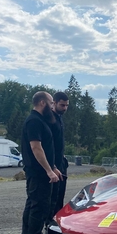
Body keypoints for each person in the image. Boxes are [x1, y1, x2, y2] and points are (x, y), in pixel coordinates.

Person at [19, 91, 60, 234]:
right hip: (38, 171)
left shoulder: (40, 121)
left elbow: (47, 149)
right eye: (51, 103)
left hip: (42, 170)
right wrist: (48, 171)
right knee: (39, 204)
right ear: (42, 103)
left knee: (32, 203)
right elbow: (36, 147)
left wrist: (54, 167)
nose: (52, 106)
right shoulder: (34, 121)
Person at [48, 91, 69, 223]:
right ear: (54, 103)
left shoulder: (60, 118)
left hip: (61, 162)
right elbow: (47, 144)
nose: (65, 108)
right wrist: (52, 166)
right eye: (62, 105)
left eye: (67, 105)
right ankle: (49, 224)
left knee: (60, 195)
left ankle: (57, 221)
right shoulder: (49, 119)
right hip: (52, 164)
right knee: (52, 197)